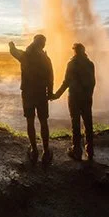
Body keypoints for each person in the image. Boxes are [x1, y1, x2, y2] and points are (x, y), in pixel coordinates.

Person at [9, 35, 53, 165]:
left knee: (30, 121)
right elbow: (51, 77)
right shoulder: (46, 58)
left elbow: (14, 52)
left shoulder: (26, 55)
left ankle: (34, 150)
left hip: (28, 93)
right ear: (43, 44)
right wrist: (50, 93)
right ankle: (45, 151)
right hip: (41, 94)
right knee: (43, 121)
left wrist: (11, 46)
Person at [52, 43, 96, 161]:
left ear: (75, 51)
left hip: (74, 98)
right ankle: (90, 151)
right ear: (84, 51)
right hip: (87, 98)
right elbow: (93, 82)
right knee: (88, 123)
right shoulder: (90, 64)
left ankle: (76, 151)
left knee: (75, 123)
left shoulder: (72, 64)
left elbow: (66, 82)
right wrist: (89, 95)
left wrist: (57, 95)